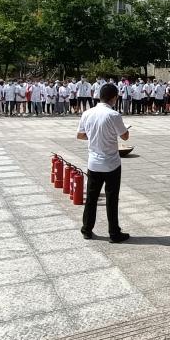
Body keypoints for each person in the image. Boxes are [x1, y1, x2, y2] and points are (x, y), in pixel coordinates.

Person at [76, 83, 130, 243]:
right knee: (111, 199)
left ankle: (87, 229)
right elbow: (125, 136)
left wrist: (92, 136)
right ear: (114, 97)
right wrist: (125, 129)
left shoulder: (87, 113)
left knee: (91, 198)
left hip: (94, 163)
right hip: (111, 163)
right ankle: (114, 233)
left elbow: (80, 135)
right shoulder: (113, 115)